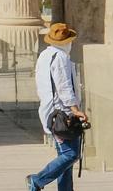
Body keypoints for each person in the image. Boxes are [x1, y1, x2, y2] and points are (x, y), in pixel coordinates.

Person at [30, 22, 87, 191]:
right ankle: (37, 180)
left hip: (50, 111)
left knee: (64, 157)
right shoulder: (61, 57)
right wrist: (75, 109)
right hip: (63, 113)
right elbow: (64, 86)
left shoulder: (45, 55)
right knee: (71, 154)